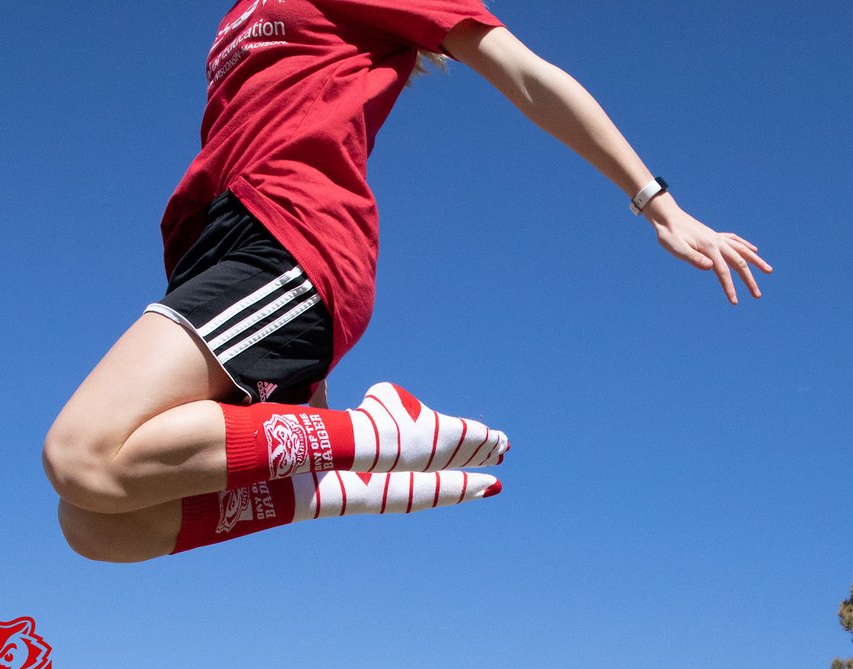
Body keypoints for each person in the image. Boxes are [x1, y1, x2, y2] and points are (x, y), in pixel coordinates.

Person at [42, 0, 772, 563]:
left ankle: (372, 434)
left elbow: (525, 74)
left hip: (288, 237)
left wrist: (656, 203)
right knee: (98, 521)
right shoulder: (240, 13)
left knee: (83, 452)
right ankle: (320, 486)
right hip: (215, 252)